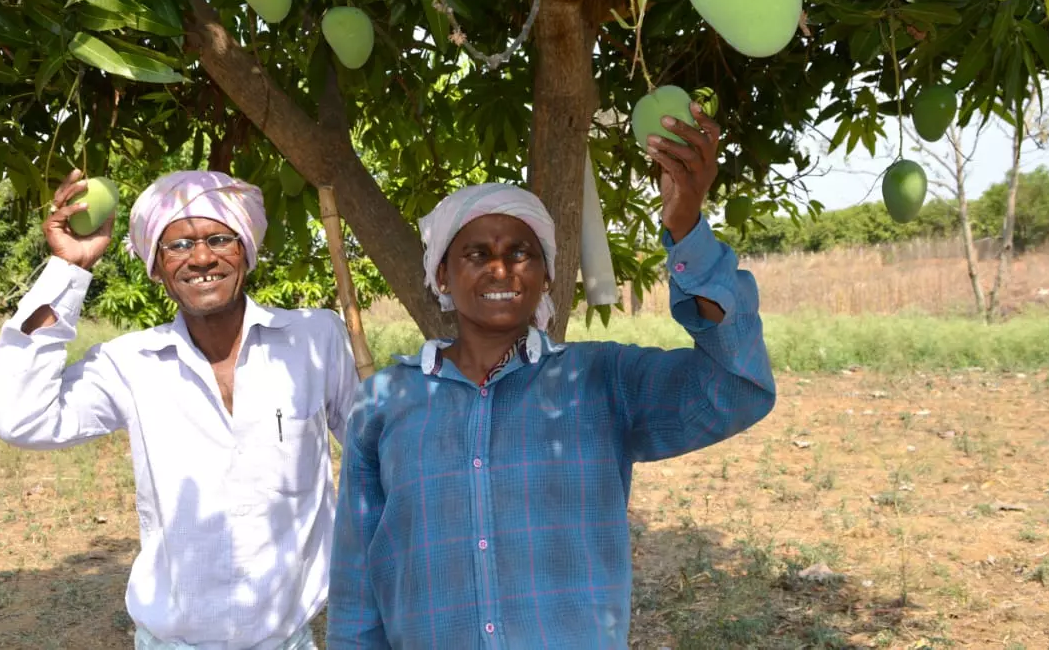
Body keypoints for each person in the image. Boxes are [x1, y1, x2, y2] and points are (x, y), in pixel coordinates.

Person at [326, 105, 776, 647]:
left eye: (521, 253)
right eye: (477, 253)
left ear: (545, 276)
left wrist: (686, 228)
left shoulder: (600, 380)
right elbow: (358, 583)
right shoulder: (385, 400)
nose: (501, 268)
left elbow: (737, 388)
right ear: (442, 275)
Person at [0, 168, 360, 650]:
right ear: (156, 267)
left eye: (219, 238)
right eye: (177, 246)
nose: (201, 257)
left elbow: (373, 448)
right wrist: (70, 269)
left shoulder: (316, 339)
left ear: (246, 249)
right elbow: (22, 418)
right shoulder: (131, 363)